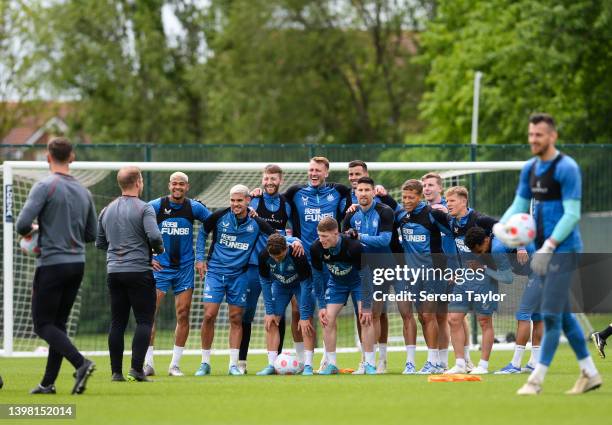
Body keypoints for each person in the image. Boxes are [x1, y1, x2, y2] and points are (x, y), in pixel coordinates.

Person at [493, 113, 602, 395]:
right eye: (530, 135)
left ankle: (535, 379)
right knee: (563, 316)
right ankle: (589, 373)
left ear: (552, 136)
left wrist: (549, 246)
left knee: (551, 316)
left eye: (538, 135)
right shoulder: (529, 168)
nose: (533, 140)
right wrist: (500, 226)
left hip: (563, 251)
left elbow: (572, 214)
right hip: (542, 251)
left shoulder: (567, 168)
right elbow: (519, 202)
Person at [16, 137, 97, 395]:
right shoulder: (84, 191)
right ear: (72, 157)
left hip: (52, 263)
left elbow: (21, 225)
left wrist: (37, 231)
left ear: (48, 157)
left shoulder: (45, 186)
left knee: (42, 325)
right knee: (57, 325)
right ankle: (47, 383)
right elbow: (91, 234)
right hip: (77, 264)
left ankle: (81, 363)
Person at [194, 185, 302, 375]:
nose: (235, 204)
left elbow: (278, 237)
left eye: (239, 201)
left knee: (237, 318)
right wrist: (200, 259)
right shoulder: (219, 216)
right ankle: (205, 362)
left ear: (248, 201)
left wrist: (295, 241)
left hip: (240, 275)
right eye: (232, 200)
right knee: (209, 314)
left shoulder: (256, 222)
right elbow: (203, 232)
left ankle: (233, 365)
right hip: (216, 272)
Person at [96, 166, 164, 382]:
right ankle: (136, 369)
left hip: (114, 272)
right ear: (138, 182)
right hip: (139, 272)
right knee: (144, 320)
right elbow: (154, 236)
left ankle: (116, 372)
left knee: (117, 322)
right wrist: (158, 250)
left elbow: (100, 242)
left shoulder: (106, 210)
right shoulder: (145, 208)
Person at [145, 172, 211, 377]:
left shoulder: (194, 207)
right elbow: (138, 225)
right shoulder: (155, 206)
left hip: (184, 268)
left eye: (181, 184)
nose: (178, 187)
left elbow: (211, 224)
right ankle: (148, 363)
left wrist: (200, 256)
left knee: (183, 314)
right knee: (148, 314)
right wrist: (148, 255)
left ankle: (174, 365)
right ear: (169, 185)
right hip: (160, 268)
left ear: (187, 187)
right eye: (175, 184)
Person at [346, 161, 400, 373]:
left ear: (373, 192)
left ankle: (380, 360)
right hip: (362, 270)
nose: (363, 193)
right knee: (365, 315)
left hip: (384, 268)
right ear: (356, 192)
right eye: (360, 189)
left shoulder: (385, 211)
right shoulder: (350, 214)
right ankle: (367, 360)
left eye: (367, 189)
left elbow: (385, 240)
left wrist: (360, 237)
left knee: (378, 314)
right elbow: (346, 241)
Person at [237, 164, 292, 374]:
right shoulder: (254, 199)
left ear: (281, 181)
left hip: (278, 265)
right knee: (246, 313)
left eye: (274, 179)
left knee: (279, 314)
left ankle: (276, 363)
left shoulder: (287, 204)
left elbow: (292, 229)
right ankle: (241, 362)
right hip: (252, 264)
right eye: (267, 179)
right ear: (262, 179)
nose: (270, 182)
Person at [395, 179, 453, 374]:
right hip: (413, 275)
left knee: (429, 315)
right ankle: (432, 362)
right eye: (404, 197)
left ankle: (433, 361)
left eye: (411, 197)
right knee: (422, 317)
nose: (407, 201)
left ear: (419, 197)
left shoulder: (433, 215)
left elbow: (454, 233)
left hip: (433, 273)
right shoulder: (401, 216)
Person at [444, 226, 513, 375]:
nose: (477, 254)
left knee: (484, 322)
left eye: (479, 251)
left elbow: (508, 278)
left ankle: (483, 365)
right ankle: (460, 364)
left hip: (485, 285)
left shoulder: (497, 249)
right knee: (453, 319)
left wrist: (484, 269)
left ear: (487, 240)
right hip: (464, 283)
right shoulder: (463, 236)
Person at [311, 217, 370, 374]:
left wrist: (367, 305)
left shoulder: (354, 247)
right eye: (319, 235)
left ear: (336, 233)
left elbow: (366, 276)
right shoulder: (316, 248)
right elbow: (317, 279)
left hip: (358, 283)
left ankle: (368, 363)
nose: (321, 240)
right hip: (337, 284)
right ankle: (331, 364)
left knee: (364, 317)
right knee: (327, 319)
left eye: (325, 236)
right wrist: (322, 306)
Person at [256, 234, 316, 375]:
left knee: (306, 321)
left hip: (300, 286)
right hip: (280, 286)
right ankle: (271, 364)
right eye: (274, 257)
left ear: (286, 249)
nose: (276, 259)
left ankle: (308, 365)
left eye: (280, 256)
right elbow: (265, 283)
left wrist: (305, 315)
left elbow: (306, 285)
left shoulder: (298, 255)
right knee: (271, 321)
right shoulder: (264, 255)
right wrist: (269, 312)